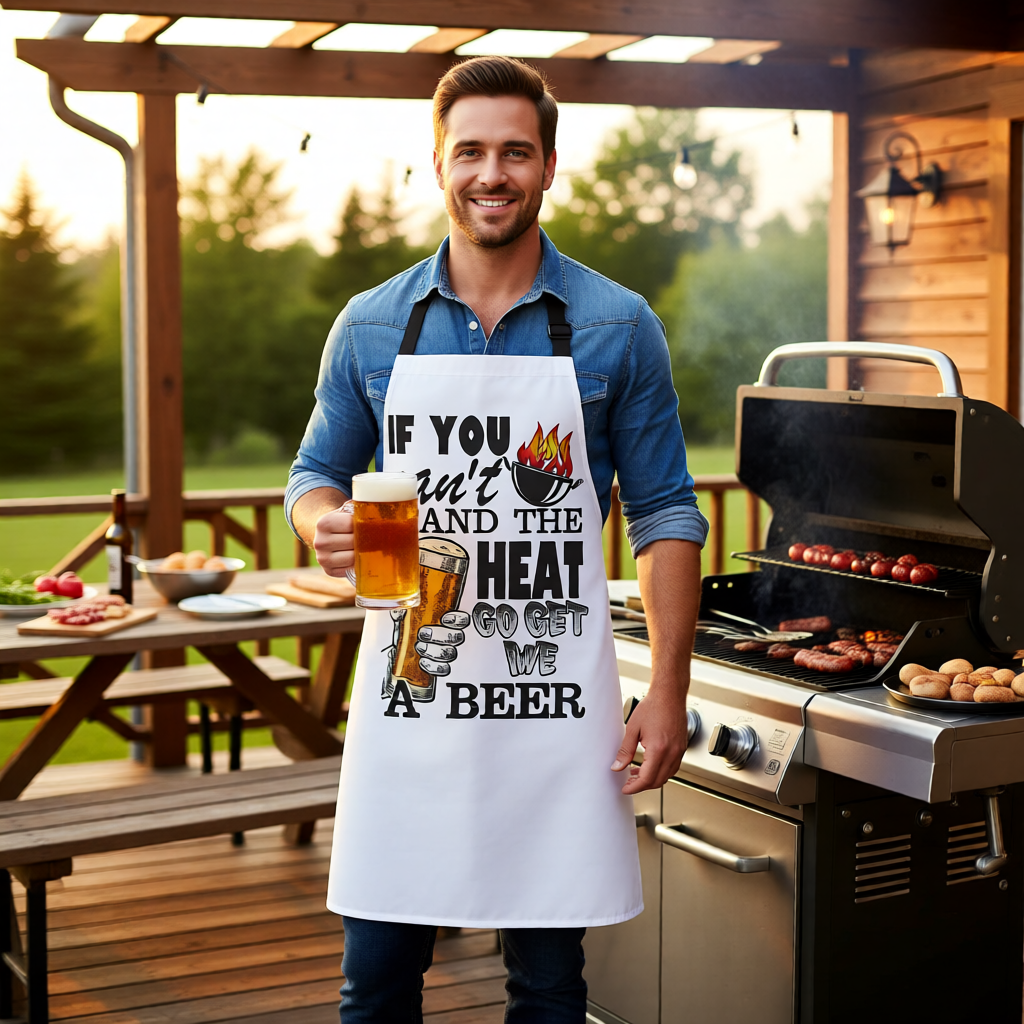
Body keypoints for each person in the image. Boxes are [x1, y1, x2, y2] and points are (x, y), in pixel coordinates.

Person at [286, 55, 707, 1024]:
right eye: (470, 151)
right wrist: (324, 523)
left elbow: (665, 512)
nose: (492, 173)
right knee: (376, 982)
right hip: (411, 694)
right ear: (438, 163)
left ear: (548, 165)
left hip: (551, 704)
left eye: (515, 151)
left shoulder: (617, 326)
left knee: (550, 988)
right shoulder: (371, 326)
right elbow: (312, 474)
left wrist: (667, 689)